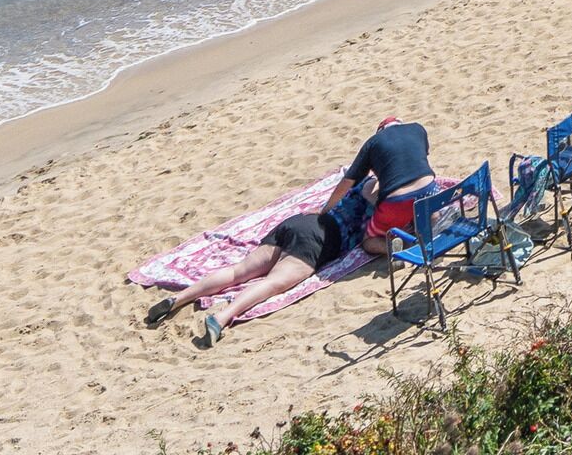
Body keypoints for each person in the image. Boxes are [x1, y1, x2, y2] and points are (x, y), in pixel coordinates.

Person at [152, 119, 434, 344]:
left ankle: (178, 298)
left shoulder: (363, 176)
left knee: (240, 271)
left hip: (299, 222)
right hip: (322, 239)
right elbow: (387, 211)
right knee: (272, 283)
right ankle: (222, 317)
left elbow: (344, 186)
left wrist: (323, 209)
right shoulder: (375, 187)